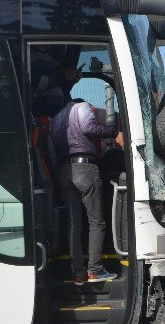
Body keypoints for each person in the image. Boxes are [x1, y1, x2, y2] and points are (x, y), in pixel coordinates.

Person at [49, 95, 124, 285]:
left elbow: (52, 151)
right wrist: (113, 132)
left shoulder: (56, 119)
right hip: (85, 168)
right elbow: (88, 128)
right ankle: (95, 269)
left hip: (65, 171)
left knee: (74, 225)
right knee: (96, 222)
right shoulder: (82, 107)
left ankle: (78, 273)